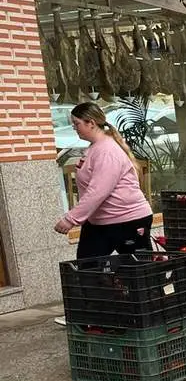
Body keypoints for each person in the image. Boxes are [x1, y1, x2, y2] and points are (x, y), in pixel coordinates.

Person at [52, 103, 153, 324]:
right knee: (88, 266)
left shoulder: (107, 151)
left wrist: (71, 219)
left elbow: (98, 191)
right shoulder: (94, 148)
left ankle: (147, 313)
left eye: (77, 124)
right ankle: (95, 313)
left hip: (128, 219)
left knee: (137, 269)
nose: (75, 129)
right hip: (100, 221)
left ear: (91, 123)